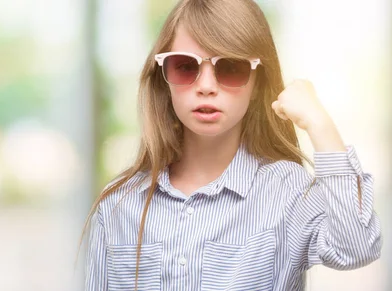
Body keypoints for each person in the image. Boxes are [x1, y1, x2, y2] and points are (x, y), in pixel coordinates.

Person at [82, 0, 383, 290]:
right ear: (164, 79)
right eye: (185, 67)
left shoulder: (287, 191)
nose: (206, 86)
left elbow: (356, 248)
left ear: (257, 85)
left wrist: (320, 124)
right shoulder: (118, 205)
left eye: (231, 68)